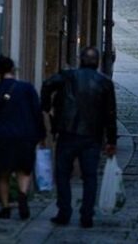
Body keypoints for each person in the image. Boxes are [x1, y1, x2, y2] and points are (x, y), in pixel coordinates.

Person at [41, 47, 117, 228]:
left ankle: (64, 211)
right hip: (92, 136)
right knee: (90, 176)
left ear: (80, 60)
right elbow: (111, 114)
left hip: (67, 132)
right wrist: (111, 141)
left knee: (62, 174)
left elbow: (47, 85)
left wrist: (47, 108)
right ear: (98, 62)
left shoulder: (68, 76)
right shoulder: (105, 83)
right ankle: (87, 215)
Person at [0, 55, 45, 220]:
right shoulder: (27, 88)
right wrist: (40, 134)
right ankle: (22, 194)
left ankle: (5, 207)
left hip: (3, 136)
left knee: (3, 174)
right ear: (13, 70)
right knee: (23, 170)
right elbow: (37, 112)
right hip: (25, 135)